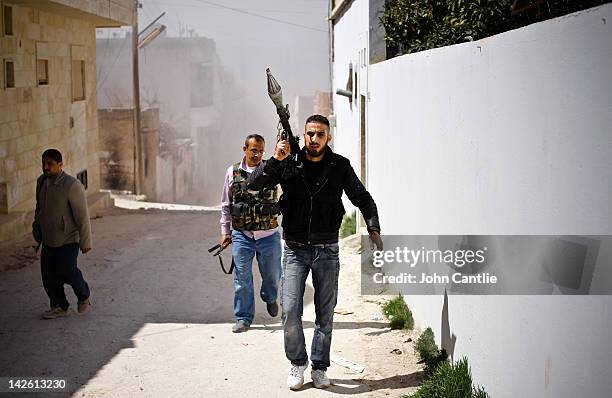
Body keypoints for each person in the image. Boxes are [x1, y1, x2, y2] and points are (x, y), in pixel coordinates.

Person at [248, 115, 383, 390]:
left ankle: (320, 367)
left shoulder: (339, 166)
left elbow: (362, 197)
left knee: (325, 313)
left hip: (327, 250)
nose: (314, 138)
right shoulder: (288, 162)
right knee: (290, 312)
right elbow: (254, 184)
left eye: (320, 134)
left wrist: (373, 228)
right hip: (295, 250)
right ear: (304, 135)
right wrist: (275, 159)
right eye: (310, 133)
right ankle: (298, 363)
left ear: (328, 137)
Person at [219, 134, 282, 333]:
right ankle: (243, 318)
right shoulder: (232, 172)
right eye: (254, 150)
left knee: (272, 276)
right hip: (242, 234)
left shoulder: (272, 170)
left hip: (269, 235)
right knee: (242, 279)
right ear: (244, 149)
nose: (257, 154)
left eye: (261, 150)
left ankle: (270, 297)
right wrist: (225, 231)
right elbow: (226, 204)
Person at [32, 149, 92, 319]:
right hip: (48, 238)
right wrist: (36, 227)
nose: (46, 167)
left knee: (67, 270)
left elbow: (82, 216)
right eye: (44, 163)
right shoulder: (41, 182)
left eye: (50, 164)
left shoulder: (72, 185)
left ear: (60, 164)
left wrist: (86, 241)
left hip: (68, 238)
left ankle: (83, 296)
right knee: (49, 275)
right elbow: (39, 208)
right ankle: (59, 306)